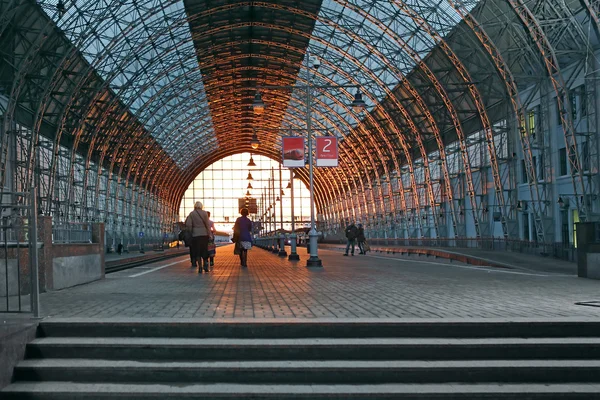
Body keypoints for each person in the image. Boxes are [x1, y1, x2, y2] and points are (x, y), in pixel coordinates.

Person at [185, 201, 211, 273]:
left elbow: (189, 225)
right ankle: (205, 265)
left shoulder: (192, 214)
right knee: (204, 250)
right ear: (201, 206)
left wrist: (190, 231)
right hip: (204, 234)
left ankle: (200, 267)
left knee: (197, 251)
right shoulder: (205, 213)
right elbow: (207, 224)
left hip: (195, 235)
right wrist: (209, 233)